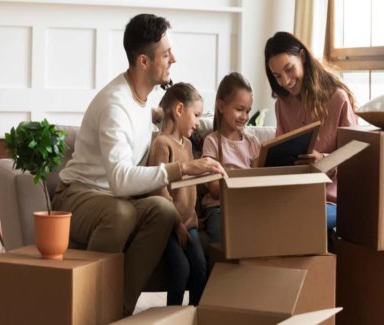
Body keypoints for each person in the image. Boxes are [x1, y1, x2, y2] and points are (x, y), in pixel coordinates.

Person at [51, 14, 225, 316]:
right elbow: (119, 180)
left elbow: (152, 114)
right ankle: (86, 305)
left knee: (163, 209)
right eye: (166, 54)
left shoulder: (143, 101)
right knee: (121, 212)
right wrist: (183, 169)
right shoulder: (115, 105)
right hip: (78, 195)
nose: (174, 58)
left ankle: (118, 309)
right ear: (144, 61)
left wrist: (167, 116)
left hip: (110, 197)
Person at [264, 31, 358, 230]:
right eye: (277, 76)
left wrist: (325, 160)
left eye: (289, 70)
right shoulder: (282, 104)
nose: (285, 81)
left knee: (299, 222)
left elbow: (355, 156)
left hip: (331, 199)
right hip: (294, 195)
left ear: (303, 57)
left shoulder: (337, 98)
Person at [147, 82, 207, 306]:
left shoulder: (189, 145)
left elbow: (191, 185)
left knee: (200, 268)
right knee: (181, 270)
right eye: (196, 115)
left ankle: (195, 317)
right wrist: (176, 224)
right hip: (169, 226)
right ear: (179, 110)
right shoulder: (162, 144)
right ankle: (171, 317)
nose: (199, 122)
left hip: (189, 225)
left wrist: (194, 217)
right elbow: (159, 188)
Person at [201, 72, 261, 243]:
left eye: (248, 111)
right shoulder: (212, 142)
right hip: (218, 207)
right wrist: (244, 186)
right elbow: (213, 188)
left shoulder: (252, 142)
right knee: (220, 232)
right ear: (221, 106)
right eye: (239, 109)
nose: (245, 117)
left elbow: (258, 180)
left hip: (246, 205)